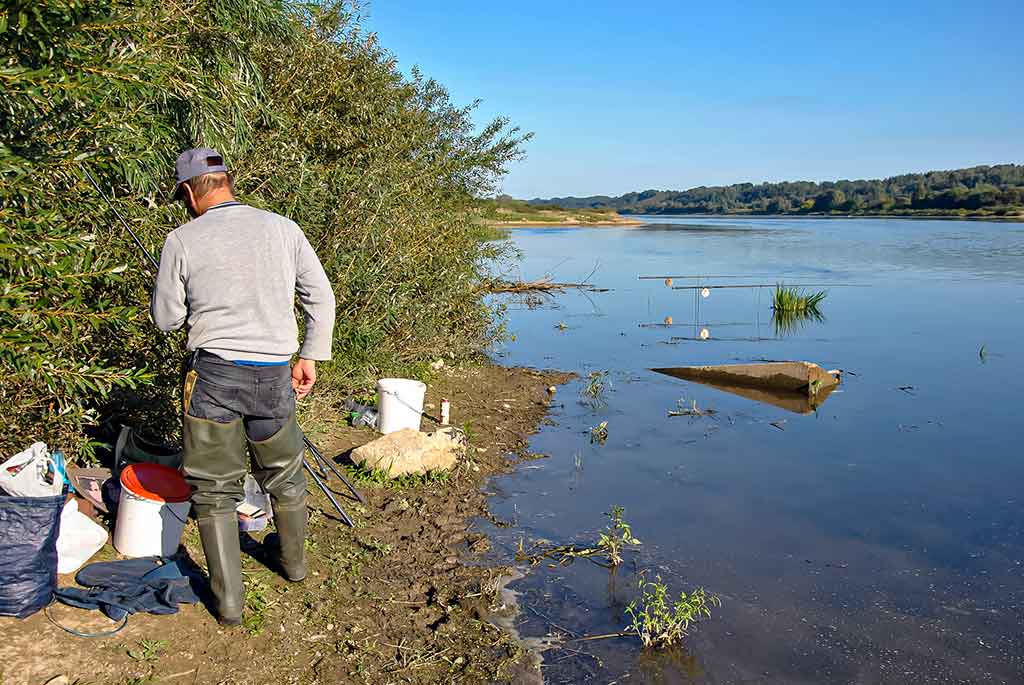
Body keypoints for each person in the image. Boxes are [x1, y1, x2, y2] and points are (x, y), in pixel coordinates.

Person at [150, 148, 336, 625]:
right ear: (226, 181)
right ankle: (293, 565)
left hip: (214, 376)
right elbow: (320, 295)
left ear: (190, 192)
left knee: (213, 491)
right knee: (285, 475)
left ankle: (229, 604)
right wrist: (311, 354)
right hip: (275, 375)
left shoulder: (181, 238)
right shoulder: (283, 228)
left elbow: (166, 321)